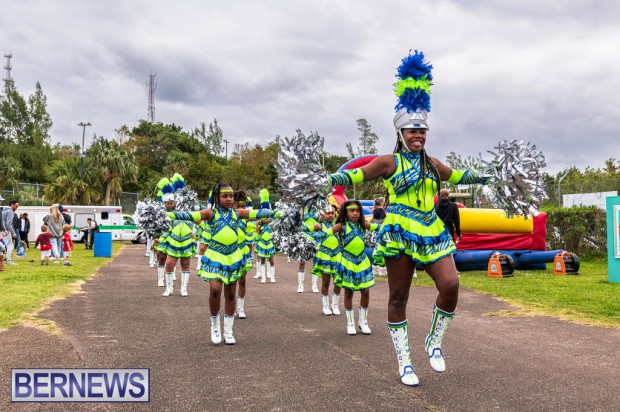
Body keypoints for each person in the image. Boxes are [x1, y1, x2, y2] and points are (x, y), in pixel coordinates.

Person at [327, 51, 489, 386]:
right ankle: (405, 362)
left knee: (451, 285)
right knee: (399, 297)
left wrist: (490, 175)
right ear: (401, 132)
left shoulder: (433, 164)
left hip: (431, 229)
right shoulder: (389, 162)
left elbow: (461, 176)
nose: (419, 135)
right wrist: (330, 179)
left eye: (423, 130)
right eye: (413, 130)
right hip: (400, 230)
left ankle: (434, 341)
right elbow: (357, 175)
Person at [166, 182, 281, 345]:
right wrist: (167, 214)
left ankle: (228, 331)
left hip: (233, 257)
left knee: (230, 293)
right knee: (215, 290)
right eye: (224, 196)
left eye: (231, 196)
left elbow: (258, 213)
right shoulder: (210, 213)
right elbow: (190, 215)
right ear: (216, 197)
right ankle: (215, 326)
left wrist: (279, 213)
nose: (228, 199)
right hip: (215, 256)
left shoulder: (237, 213)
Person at [313, 200, 378, 335]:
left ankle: (363, 322)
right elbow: (326, 233)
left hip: (362, 262)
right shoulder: (341, 226)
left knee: (365, 291)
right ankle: (350, 323)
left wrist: (394, 224)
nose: (355, 213)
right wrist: (308, 234)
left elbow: (377, 227)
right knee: (349, 292)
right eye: (351, 210)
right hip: (347, 262)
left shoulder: (363, 225)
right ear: (345, 212)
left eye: (357, 210)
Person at [160, 174, 196, 297]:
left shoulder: (192, 213)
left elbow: (203, 224)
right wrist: (160, 239)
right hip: (173, 241)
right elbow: (166, 228)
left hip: (187, 241)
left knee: (186, 265)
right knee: (169, 264)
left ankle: (183, 289)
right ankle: (169, 289)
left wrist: (196, 235)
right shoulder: (171, 213)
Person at [310, 206, 342, 316]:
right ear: (322, 214)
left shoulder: (337, 225)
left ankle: (335, 305)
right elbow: (307, 231)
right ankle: (325, 306)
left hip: (337, 256)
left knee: (338, 281)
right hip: (325, 256)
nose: (331, 215)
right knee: (326, 281)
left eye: (332, 213)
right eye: (328, 213)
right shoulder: (320, 226)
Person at [232, 190, 254, 319]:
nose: (240, 208)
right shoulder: (228, 217)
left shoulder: (246, 217)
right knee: (231, 282)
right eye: (238, 206)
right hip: (230, 252)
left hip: (243, 251)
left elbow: (262, 216)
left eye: (243, 206)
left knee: (242, 281)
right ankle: (231, 308)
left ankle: (240, 308)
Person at [255, 189, 276, 284]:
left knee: (271, 259)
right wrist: (259, 223)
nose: (266, 218)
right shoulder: (260, 223)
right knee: (262, 259)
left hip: (270, 241)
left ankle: (272, 276)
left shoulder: (272, 222)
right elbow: (257, 231)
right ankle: (263, 277)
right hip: (262, 241)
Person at [297, 207, 320, 293]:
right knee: (302, 261)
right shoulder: (304, 207)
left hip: (317, 237)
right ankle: (300, 285)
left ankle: (314, 285)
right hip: (305, 237)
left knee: (316, 261)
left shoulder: (319, 207)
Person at [1, 200, 19, 266]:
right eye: (16, 206)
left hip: (2, 230)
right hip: (6, 231)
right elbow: (8, 224)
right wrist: (13, 232)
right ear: (12, 204)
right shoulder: (10, 212)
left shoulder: (3, 211)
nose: (17, 208)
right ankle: (8, 261)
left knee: (2, 245)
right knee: (10, 246)